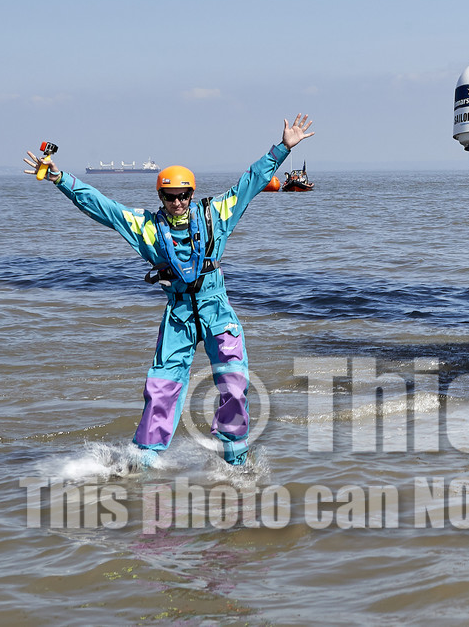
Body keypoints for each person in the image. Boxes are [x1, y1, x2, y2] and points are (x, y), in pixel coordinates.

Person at [24, 115, 315, 466]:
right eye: (170, 196)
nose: (177, 202)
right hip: (178, 314)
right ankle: (144, 459)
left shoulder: (214, 215)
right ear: (160, 196)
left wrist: (282, 148)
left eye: (183, 195)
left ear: (192, 194)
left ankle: (233, 457)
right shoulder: (145, 226)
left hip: (215, 308)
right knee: (162, 388)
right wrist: (58, 177)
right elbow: (101, 206)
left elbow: (250, 182)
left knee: (234, 382)